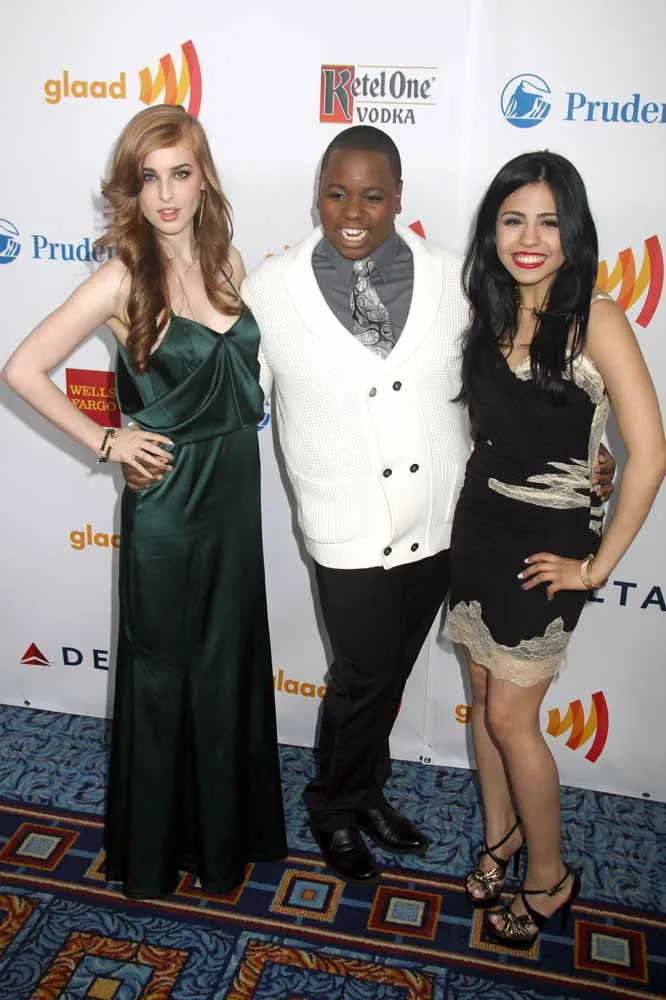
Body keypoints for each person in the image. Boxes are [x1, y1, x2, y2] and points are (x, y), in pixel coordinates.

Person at [124, 126, 614, 884]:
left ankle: (366, 790)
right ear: (317, 194)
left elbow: (510, 387)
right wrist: (143, 440)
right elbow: (221, 385)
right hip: (344, 527)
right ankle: (333, 806)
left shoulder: (456, 281)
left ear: (399, 198)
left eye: (374, 195)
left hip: (446, 525)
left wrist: (589, 454)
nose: (354, 211)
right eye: (337, 193)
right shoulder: (270, 289)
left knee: (388, 677)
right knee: (360, 678)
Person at [3, 105, 286, 898]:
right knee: (164, 671)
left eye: (180, 174)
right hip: (167, 504)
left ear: (203, 179)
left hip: (233, 495)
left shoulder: (227, 261)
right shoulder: (122, 278)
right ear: (132, 189)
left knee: (227, 661)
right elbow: (22, 369)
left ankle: (225, 837)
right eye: (149, 178)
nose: (166, 194)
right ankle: (159, 853)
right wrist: (107, 442)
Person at [444, 150, 666, 947]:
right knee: (481, 693)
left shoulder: (597, 319)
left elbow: (652, 454)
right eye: (513, 221)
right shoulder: (491, 307)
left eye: (547, 221)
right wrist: (585, 457)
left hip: (548, 545)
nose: (529, 239)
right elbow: (501, 427)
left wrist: (595, 567)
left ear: (573, 231)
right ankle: (500, 837)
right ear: (492, 230)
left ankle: (549, 876)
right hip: (479, 527)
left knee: (513, 717)